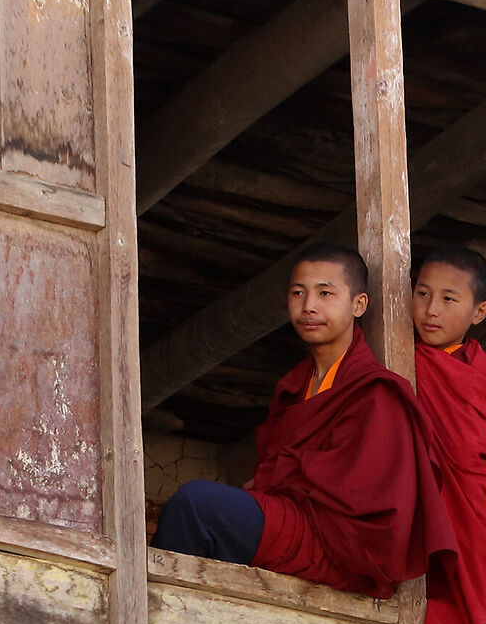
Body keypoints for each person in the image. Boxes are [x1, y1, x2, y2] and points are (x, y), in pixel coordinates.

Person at [153, 243, 451, 599]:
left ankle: (155, 607)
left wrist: (286, 478)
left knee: (195, 504)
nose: (309, 306)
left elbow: (374, 504)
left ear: (358, 304)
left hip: (334, 543)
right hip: (292, 520)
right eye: (298, 293)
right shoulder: (294, 387)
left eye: (325, 293)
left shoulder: (378, 393)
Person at [410, 246, 486, 624]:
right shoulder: (398, 359)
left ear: (479, 311)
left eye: (449, 299)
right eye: (422, 294)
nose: (431, 310)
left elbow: (469, 452)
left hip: (465, 499)